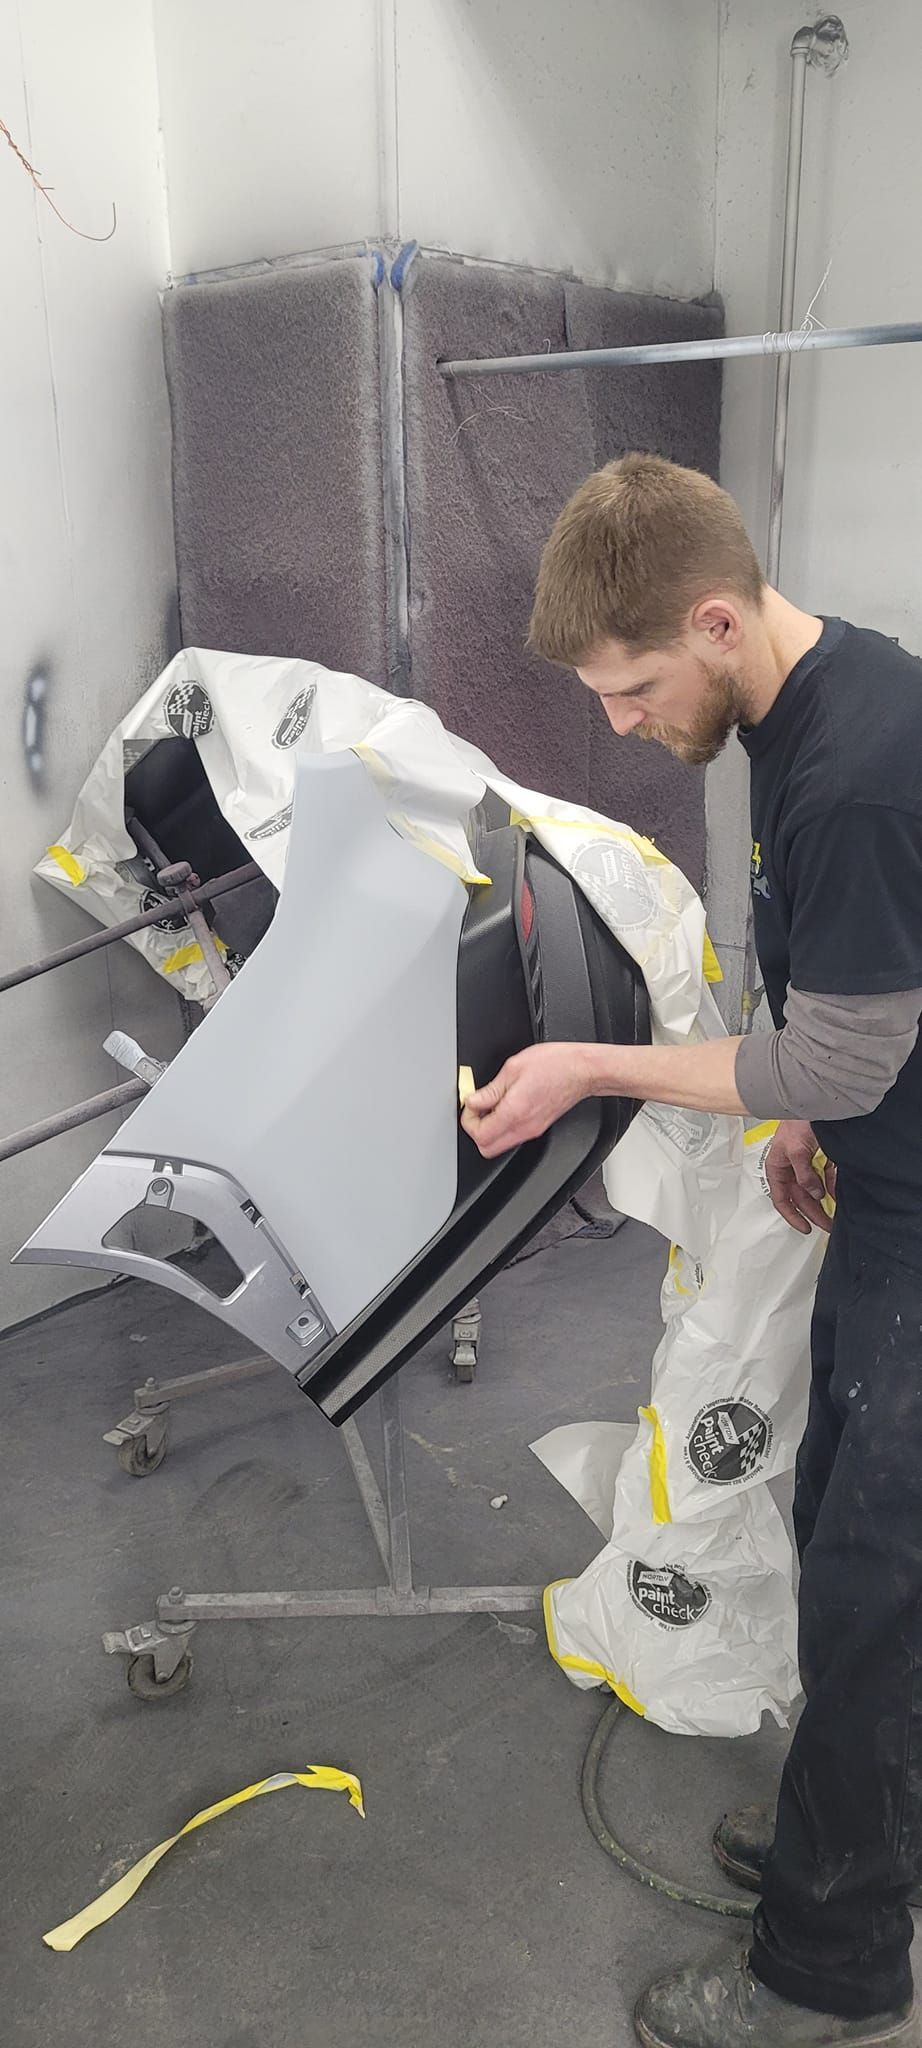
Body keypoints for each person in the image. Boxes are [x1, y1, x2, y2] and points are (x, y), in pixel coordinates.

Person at [461, 454, 922, 2048]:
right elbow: (848, 1010)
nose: (622, 723)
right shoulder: (802, 713)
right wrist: (804, 1124)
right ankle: (862, 1838)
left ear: (714, 621)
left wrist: (594, 1068)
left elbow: (845, 1053)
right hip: (888, 1184)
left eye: (635, 684)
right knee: (834, 1525)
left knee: (873, 1589)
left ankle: (831, 1977)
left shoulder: (858, 764)